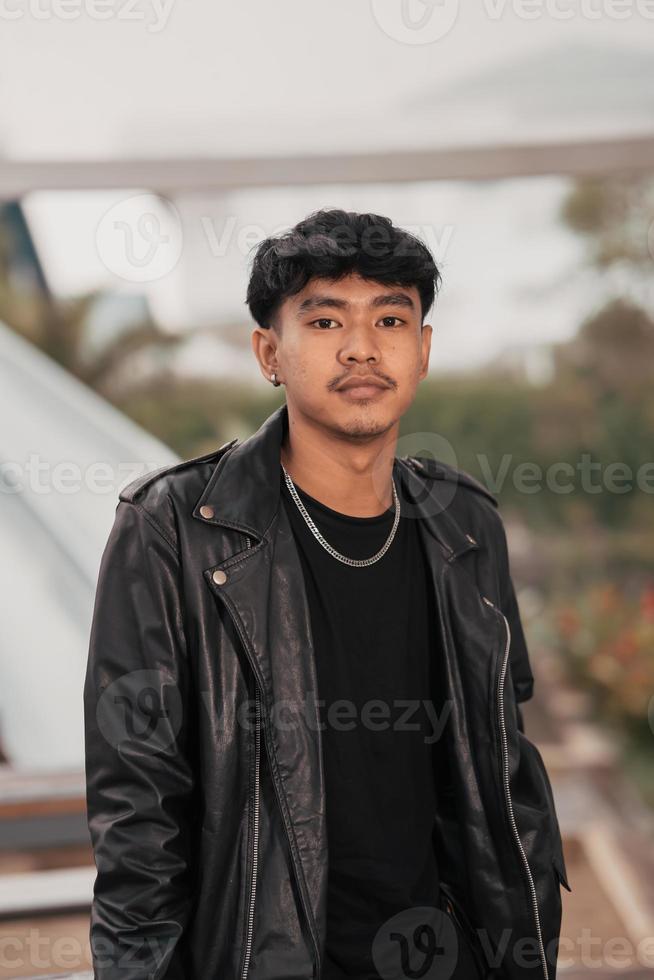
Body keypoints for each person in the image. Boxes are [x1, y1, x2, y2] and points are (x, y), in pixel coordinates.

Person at [84, 209, 571, 980]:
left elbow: (505, 773)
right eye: (323, 319)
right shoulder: (172, 530)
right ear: (268, 352)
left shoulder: (464, 523)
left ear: (424, 349)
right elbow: (137, 819)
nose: (361, 348)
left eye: (391, 318)